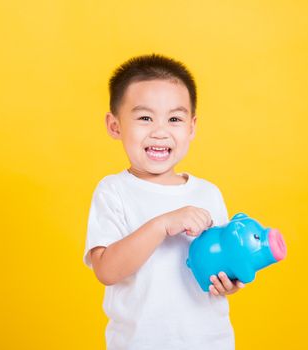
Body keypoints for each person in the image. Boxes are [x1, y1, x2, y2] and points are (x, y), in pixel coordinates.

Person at [83, 53, 245, 350]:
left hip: (210, 342)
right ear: (115, 125)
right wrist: (162, 224)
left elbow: (218, 261)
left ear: (192, 127)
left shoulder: (208, 193)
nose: (160, 131)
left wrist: (229, 280)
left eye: (174, 119)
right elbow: (106, 271)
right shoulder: (114, 191)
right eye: (145, 118)